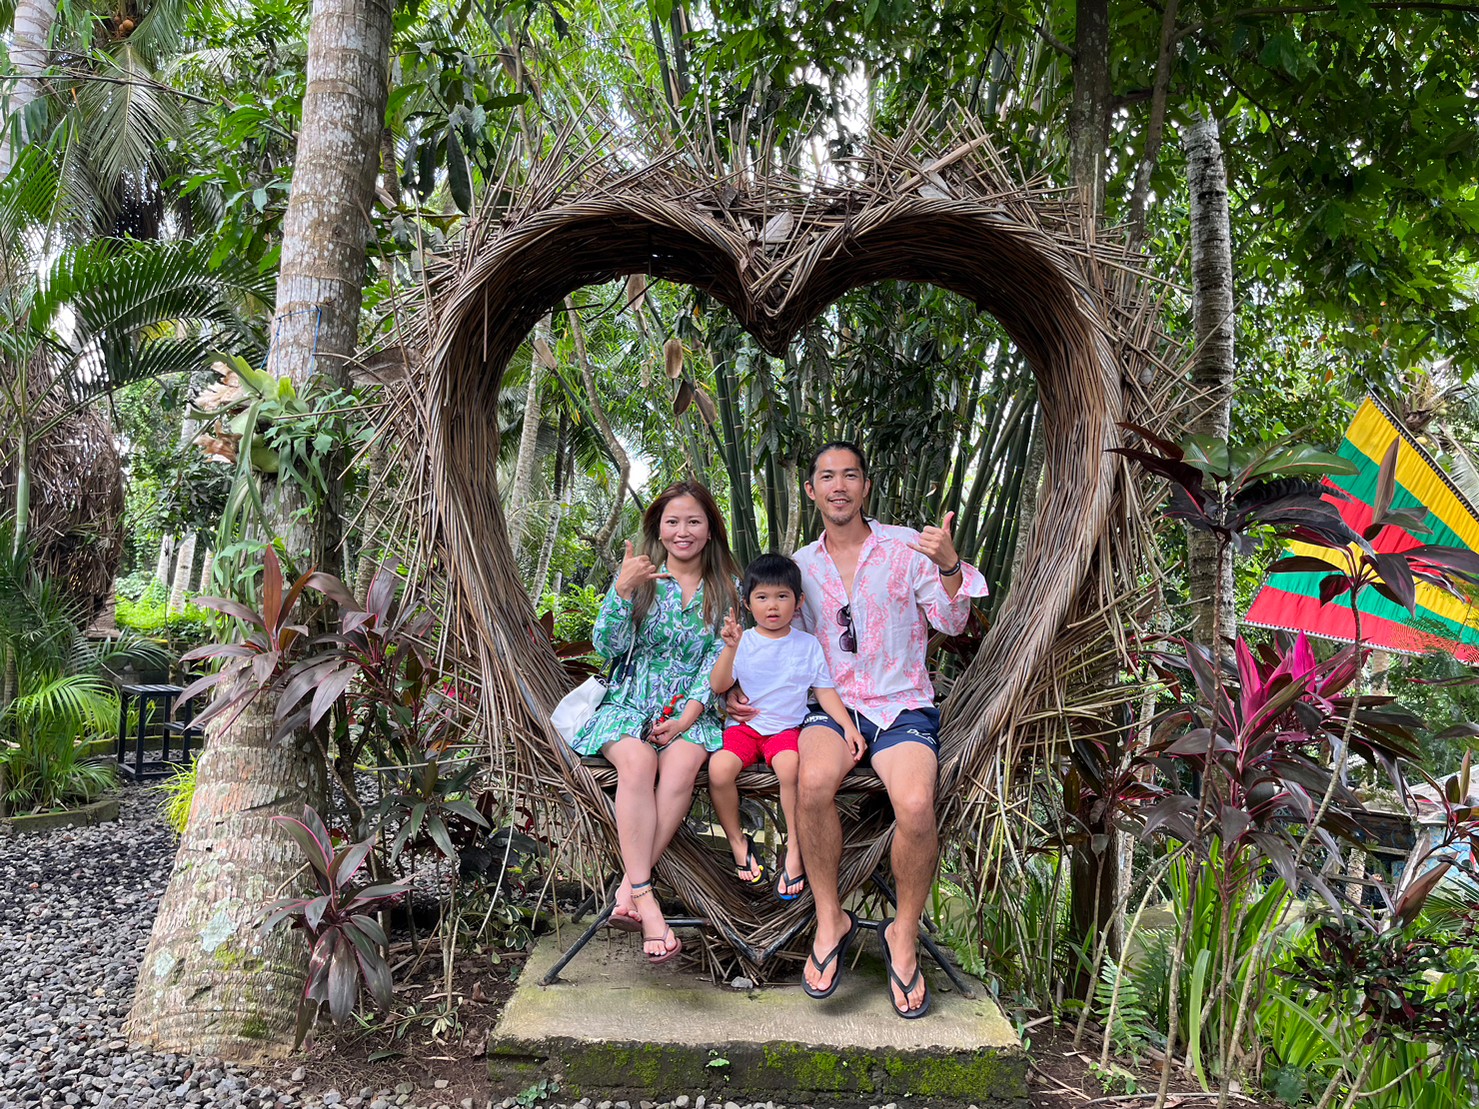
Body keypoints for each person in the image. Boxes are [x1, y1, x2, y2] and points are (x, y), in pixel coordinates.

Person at [728, 442, 987, 1017]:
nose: (838, 486)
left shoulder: (904, 548)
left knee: (917, 803)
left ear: (865, 486)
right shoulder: (801, 565)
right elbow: (776, 641)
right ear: (811, 490)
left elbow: (952, 619)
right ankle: (830, 919)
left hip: (902, 703)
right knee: (813, 784)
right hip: (832, 705)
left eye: (850, 476)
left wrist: (949, 564)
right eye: (827, 477)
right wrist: (735, 690)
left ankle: (903, 934)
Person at [567, 480, 740, 965]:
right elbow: (608, 648)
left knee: (683, 768)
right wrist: (621, 593)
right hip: (628, 704)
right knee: (639, 763)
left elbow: (717, 665)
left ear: (710, 531)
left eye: (693, 521)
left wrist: (685, 720)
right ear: (658, 530)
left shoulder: (728, 590)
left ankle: (627, 888)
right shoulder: (639, 579)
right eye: (672, 521)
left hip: (690, 712)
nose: (682, 531)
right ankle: (645, 898)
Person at [707, 554, 865, 902]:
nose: (773, 606)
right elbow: (719, 685)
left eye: (782, 596)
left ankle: (795, 848)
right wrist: (730, 649)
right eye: (762, 597)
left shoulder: (807, 645)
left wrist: (847, 727)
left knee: (791, 767)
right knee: (718, 769)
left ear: (799, 602)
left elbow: (824, 691)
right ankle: (737, 841)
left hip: (785, 732)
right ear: (747, 603)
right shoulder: (743, 641)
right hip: (745, 730)